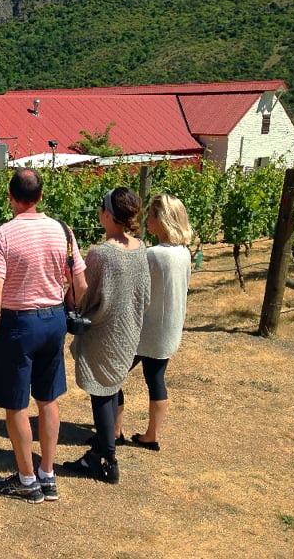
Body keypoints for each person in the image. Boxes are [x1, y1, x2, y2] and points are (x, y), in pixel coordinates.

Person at [0, 167, 87, 504]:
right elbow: (80, 283)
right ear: (41, 196)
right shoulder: (62, 230)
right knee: (48, 400)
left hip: (18, 322)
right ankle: (48, 474)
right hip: (53, 318)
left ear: (10, 197)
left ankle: (27, 480)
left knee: (15, 404)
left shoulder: (2, 236)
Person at [64, 187, 150, 484]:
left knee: (101, 391)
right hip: (128, 330)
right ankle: (99, 450)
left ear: (107, 215)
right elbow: (144, 293)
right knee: (111, 387)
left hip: (103, 331)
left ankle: (107, 461)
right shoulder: (140, 247)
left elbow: (83, 293)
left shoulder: (101, 254)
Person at [114, 193, 192, 452]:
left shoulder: (154, 254)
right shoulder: (184, 253)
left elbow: (134, 289)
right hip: (168, 329)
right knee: (155, 378)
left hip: (144, 330)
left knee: (112, 376)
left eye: (152, 216)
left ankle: (114, 431)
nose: (147, 220)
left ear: (163, 220)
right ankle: (152, 434)